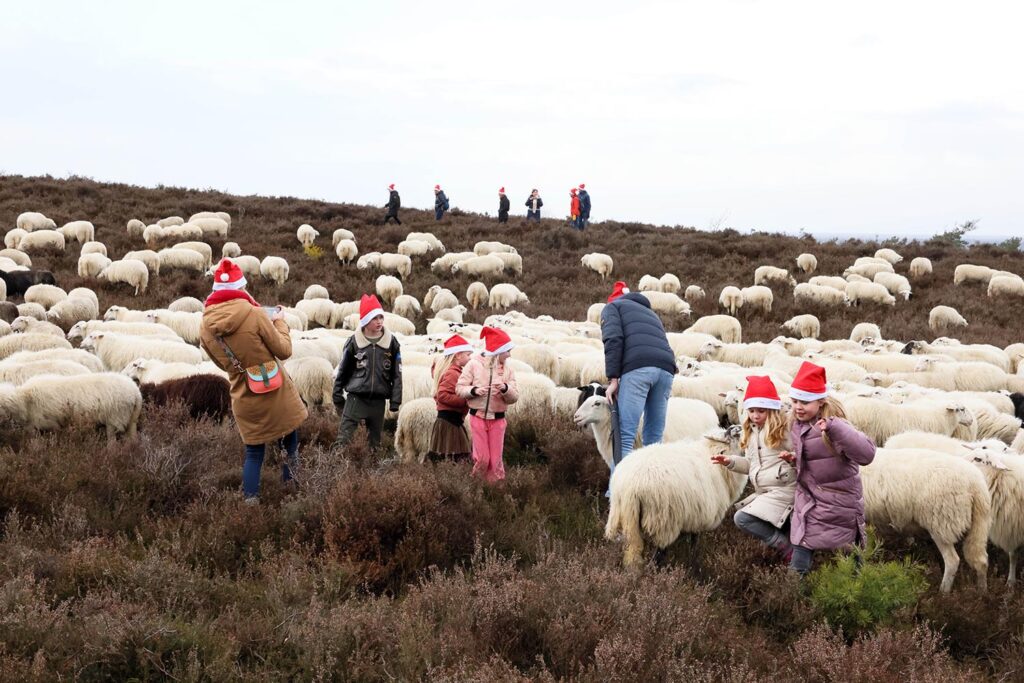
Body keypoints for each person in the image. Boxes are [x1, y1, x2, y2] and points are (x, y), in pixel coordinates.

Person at [199, 258, 308, 504]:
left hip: (243, 393)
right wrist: (279, 321)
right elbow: (284, 350)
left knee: (254, 452)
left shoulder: (205, 326)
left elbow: (220, 364)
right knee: (289, 443)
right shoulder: (255, 313)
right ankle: (291, 496)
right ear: (241, 287)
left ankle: (250, 503)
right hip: (275, 391)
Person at [781, 361, 876, 575]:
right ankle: (790, 599)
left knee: (849, 555)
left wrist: (836, 428)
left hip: (838, 503)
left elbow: (867, 454)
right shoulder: (796, 425)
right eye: (795, 400)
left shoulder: (836, 426)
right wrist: (794, 459)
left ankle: (857, 594)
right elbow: (815, 458)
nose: (798, 406)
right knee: (801, 548)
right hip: (808, 501)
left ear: (821, 401)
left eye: (805, 402)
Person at [711, 376, 795, 561]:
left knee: (742, 518)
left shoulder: (782, 430)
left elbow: (801, 455)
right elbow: (751, 465)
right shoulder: (752, 432)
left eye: (761, 411)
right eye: (751, 410)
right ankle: (784, 556)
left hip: (785, 489)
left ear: (772, 409)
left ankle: (786, 549)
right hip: (767, 490)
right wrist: (730, 462)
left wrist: (792, 459)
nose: (755, 415)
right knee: (779, 527)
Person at [601, 280, 677, 462]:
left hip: (639, 369)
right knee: (653, 439)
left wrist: (613, 379)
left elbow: (613, 339)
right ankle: (653, 488)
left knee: (625, 436)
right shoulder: (650, 313)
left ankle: (617, 490)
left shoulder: (612, 308)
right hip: (666, 369)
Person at [332, 294, 403, 451]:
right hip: (356, 398)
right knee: (344, 440)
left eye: (381, 317)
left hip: (378, 401)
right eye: (374, 318)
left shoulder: (391, 343)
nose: (379, 322)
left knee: (374, 444)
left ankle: (372, 473)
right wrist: (337, 394)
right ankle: (336, 468)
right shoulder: (353, 342)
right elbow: (343, 369)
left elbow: (397, 374)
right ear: (365, 321)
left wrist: (395, 400)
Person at [456, 327, 519, 482]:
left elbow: (514, 396)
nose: (509, 355)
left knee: (496, 460)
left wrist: (505, 389)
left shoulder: (508, 370)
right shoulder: (474, 365)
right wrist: (475, 391)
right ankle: (477, 486)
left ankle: (496, 493)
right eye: (507, 351)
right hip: (478, 417)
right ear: (498, 351)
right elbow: (459, 388)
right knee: (483, 459)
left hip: (498, 419)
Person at [428, 334, 475, 461]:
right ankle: (450, 479)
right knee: (454, 456)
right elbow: (442, 395)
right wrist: (465, 400)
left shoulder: (455, 371)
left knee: (450, 456)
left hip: (452, 421)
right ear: (458, 355)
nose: (470, 358)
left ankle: (447, 478)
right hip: (449, 423)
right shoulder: (452, 373)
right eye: (468, 355)